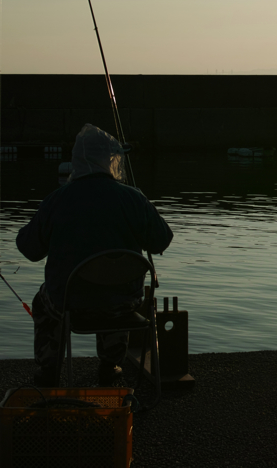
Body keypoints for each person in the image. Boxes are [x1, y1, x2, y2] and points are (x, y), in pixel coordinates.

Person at [16, 124, 173, 386]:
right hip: (122, 304)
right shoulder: (133, 199)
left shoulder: (57, 200)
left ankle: (48, 370)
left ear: (77, 160)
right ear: (111, 159)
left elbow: (30, 250)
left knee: (42, 302)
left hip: (70, 304)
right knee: (113, 291)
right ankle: (110, 365)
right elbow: (162, 240)